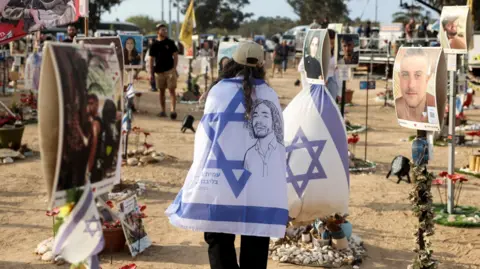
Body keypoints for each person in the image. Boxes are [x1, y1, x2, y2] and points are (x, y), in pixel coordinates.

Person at [166, 41, 288, 269]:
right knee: (256, 234)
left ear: (232, 63)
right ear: (261, 65)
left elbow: (206, 139)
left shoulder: (218, 91)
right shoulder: (269, 95)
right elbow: (279, 144)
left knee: (219, 236)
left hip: (221, 179)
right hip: (258, 183)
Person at [243, 99, 283, 177]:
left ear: (274, 120)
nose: (258, 121)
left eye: (265, 116)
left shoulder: (282, 152)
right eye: (255, 116)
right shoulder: (249, 154)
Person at [395, 49, 436, 123]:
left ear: (427, 78)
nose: (411, 85)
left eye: (418, 75)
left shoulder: (436, 106)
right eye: (405, 75)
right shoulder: (396, 108)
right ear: (399, 77)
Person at [149, 24, 179, 120]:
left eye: (166, 30)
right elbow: (151, 59)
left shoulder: (170, 43)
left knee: (172, 90)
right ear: (158, 31)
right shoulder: (154, 44)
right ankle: (163, 111)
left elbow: (175, 55)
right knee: (161, 91)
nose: (165, 31)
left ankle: (173, 111)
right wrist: (151, 73)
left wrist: (174, 68)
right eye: (162, 30)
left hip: (169, 70)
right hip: (159, 72)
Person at [86, 93, 104, 183]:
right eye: (88, 103)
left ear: (97, 105)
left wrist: (88, 168)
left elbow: (94, 145)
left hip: (94, 165)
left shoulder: (95, 123)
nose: (89, 106)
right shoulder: (94, 120)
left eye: (91, 103)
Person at [326, 29, 340, 100]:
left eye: (333, 43)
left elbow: (338, 74)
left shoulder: (336, 53)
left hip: (333, 83)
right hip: (321, 84)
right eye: (330, 43)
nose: (332, 46)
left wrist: (339, 92)